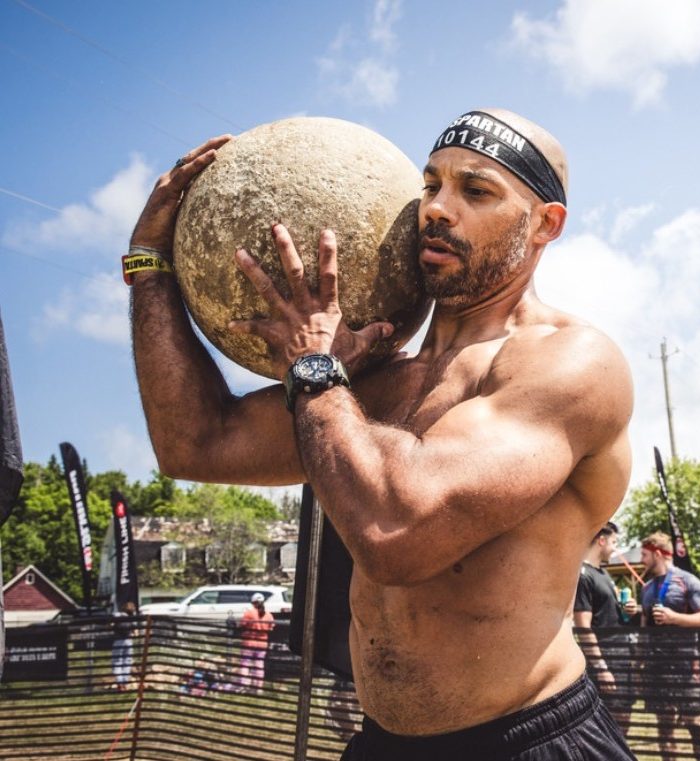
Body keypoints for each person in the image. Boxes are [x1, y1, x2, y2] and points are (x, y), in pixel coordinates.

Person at [127, 109, 636, 760]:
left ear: (544, 224)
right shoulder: (365, 383)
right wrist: (148, 270)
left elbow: (397, 534)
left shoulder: (570, 363)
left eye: (475, 191)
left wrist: (313, 369)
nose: (437, 209)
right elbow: (194, 440)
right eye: (430, 186)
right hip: (382, 742)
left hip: (528, 739)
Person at [637, 532, 700, 761]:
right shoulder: (646, 588)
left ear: (658, 554)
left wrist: (674, 618)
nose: (642, 560)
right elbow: (645, 626)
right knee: (664, 728)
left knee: (695, 724)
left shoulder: (687, 581)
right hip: (656, 667)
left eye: (644, 555)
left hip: (684, 664)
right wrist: (640, 661)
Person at [574, 522, 637, 735]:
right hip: (607, 658)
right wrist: (601, 667)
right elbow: (583, 627)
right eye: (614, 543)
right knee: (612, 721)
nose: (615, 548)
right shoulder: (583, 575)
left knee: (625, 715)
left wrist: (627, 610)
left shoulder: (604, 574)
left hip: (622, 657)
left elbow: (610, 614)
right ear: (601, 540)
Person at [238, 592, 275, 693]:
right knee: (259, 664)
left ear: (253, 602)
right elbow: (271, 628)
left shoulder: (249, 613)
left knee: (245, 664)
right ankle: (258, 687)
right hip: (262, 643)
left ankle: (243, 685)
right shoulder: (269, 615)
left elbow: (241, 625)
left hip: (249, 642)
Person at [111, 601, 136, 691]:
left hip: (118, 640)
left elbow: (110, 624)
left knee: (117, 661)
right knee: (127, 661)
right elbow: (135, 632)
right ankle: (124, 683)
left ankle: (120, 683)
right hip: (128, 640)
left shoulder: (117, 615)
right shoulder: (131, 618)